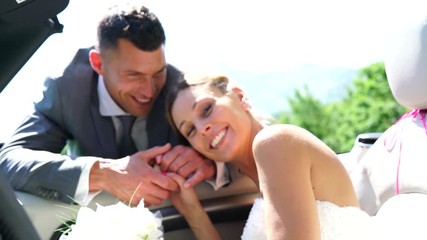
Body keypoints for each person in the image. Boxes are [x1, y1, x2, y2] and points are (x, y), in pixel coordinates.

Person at [0, 3, 229, 207]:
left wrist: (209, 158)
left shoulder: (180, 87)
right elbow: (8, 160)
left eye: (158, 72)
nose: (149, 91)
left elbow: (236, 128)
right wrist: (102, 173)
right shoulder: (65, 91)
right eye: (133, 75)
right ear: (98, 64)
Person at [164, 75, 377, 239]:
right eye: (190, 130)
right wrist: (192, 212)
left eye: (207, 109)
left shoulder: (275, 143)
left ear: (239, 96)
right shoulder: (262, 177)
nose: (202, 128)